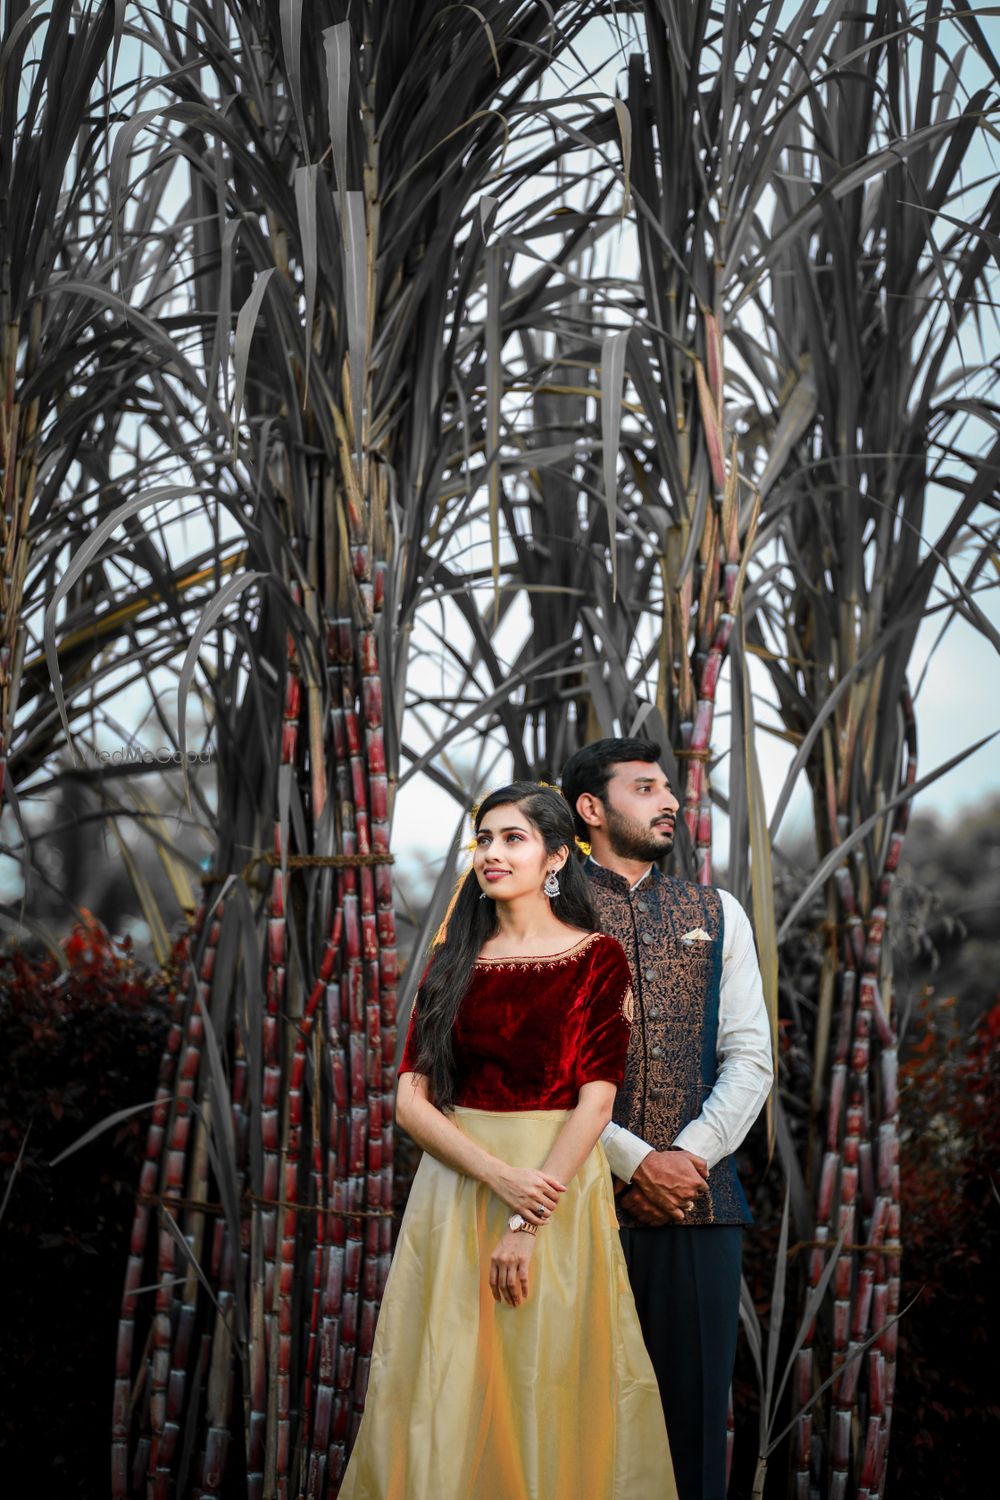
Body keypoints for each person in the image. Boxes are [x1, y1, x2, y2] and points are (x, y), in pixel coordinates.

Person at [340, 781, 675, 1500]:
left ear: (557, 856)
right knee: (441, 1382)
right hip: (457, 1192)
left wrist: (527, 1216)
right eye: (484, 839)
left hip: (555, 1195)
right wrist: (498, 1178)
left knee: (545, 1378)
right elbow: (410, 1099)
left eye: (512, 838)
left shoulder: (597, 958)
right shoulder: (453, 958)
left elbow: (596, 1102)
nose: (492, 852)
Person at [561, 738, 773, 1500]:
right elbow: (533, 1064)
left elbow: (751, 1057)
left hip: (698, 1205)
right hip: (567, 1204)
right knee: (567, 1427)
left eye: (670, 788)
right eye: (646, 787)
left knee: (692, 1438)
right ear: (591, 809)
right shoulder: (542, 908)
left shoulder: (717, 911)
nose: (670, 801)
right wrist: (631, 1161)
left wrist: (684, 1158)